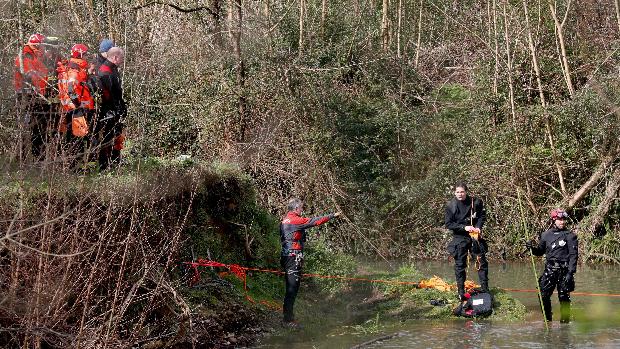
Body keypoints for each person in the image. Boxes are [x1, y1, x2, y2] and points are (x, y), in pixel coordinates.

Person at [280, 198, 341, 328]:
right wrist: (332, 215)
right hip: (292, 257)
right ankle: (288, 321)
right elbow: (314, 221)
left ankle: (288, 318)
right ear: (296, 209)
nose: (302, 210)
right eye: (301, 208)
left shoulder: (285, 219)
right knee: (292, 288)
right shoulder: (295, 220)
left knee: (292, 288)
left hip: (288, 256)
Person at [526, 209, 578, 323]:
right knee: (542, 294)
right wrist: (531, 248)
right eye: (560, 219)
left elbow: (574, 256)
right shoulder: (546, 235)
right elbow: (540, 252)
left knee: (564, 298)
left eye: (564, 219)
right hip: (550, 270)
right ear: (554, 220)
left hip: (565, 271)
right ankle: (548, 319)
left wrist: (570, 273)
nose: (562, 222)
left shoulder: (570, 236)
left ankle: (565, 322)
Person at [445, 182, 488, 300]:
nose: (460, 194)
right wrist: (464, 227)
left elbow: (481, 216)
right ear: (454, 193)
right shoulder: (450, 206)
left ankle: (485, 289)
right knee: (460, 264)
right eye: (457, 192)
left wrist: (478, 227)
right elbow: (449, 224)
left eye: (462, 192)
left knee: (481, 261)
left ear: (466, 192)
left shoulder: (476, 202)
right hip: (460, 237)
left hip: (474, 235)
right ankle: (461, 291)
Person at [57, 43, 96, 169]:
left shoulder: (70, 68)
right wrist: (79, 105)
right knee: (78, 139)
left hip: (69, 109)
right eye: (85, 54)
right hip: (76, 110)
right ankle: (75, 168)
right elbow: (71, 89)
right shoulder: (74, 71)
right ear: (80, 54)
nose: (86, 57)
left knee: (73, 138)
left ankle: (73, 166)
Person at [14, 33, 50, 160]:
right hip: (26, 96)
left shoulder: (34, 56)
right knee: (27, 126)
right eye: (42, 46)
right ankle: (23, 158)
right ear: (37, 46)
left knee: (36, 126)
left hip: (36, 95)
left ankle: (35, 156)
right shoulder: (25, 57)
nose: (44, 49)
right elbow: (31, 75)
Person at [95, 46, 126, 170]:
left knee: (118, 136)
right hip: (108, 110)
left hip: (115, 108)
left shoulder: (113, 69)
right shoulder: (105, 70)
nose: (122, 61)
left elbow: (118, 92)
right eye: (121, 58)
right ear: (115, 57)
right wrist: (115, 108)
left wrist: (122, 105)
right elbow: (109, 93)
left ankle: (115, 161)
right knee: (107, 137)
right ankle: (104, 165)